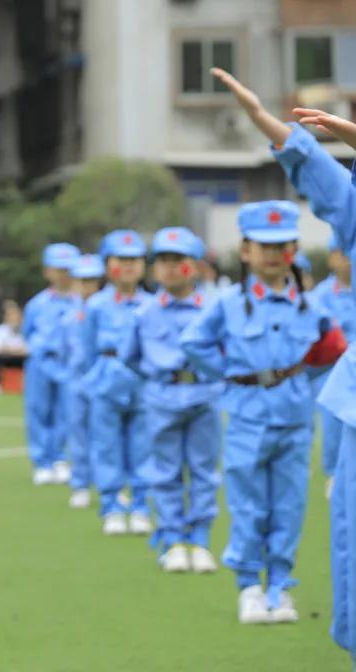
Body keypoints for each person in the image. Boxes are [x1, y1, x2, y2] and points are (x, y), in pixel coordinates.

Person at [181, 198, 345, 624]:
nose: (273, 255)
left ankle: (281, 586)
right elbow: (193, 344)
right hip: (247, 418)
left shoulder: (312, 305)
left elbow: (331, 352)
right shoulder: (227, 303)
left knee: (289, 506)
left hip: (294, 419)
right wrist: (230, 376)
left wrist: (300, 381)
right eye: (263, 246)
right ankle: (250, 586)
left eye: (282, 246)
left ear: (292, 250)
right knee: (249, 504)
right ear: (246, 251)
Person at [125, 228, 222, 573]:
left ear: (194, 266)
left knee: (203, 471)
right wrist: (159, 380)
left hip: (204, 395)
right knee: (164, 471)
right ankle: (172, 540)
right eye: (163, 261)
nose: (169, 268)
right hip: (162, 396)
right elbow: (132, 357)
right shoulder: (145, 312)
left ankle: (200, 539)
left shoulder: (214, 309)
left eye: (178, 260)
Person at [81, 230, 153, 536]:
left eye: (135, 259)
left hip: (143, 380)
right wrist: (90, 381)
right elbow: (86, 349)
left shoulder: (152, 304)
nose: (128, 266)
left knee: (142, 445)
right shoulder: (96, 304)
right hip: (106, 378)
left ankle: (140, 504)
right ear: (107, 264)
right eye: (120, 260)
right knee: (106, 445)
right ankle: (111, 504)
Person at [22, 243, 80, 485]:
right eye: (59, 268)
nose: (64, 274)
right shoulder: (38, 304)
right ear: (48, 271)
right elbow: (28, 332)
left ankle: (59, 458)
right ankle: (42, 462)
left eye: (68, 269)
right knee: (39, 410)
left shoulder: (81, 302)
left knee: (66, 411)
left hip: (70, 363)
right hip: (41, 361)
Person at [308, 235, 356, 497]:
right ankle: (333, 475)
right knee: (333, 427)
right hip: (332, 374)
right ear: (331, 258)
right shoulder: (321, 297)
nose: (347, 259)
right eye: (341, 252)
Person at [61, 253, 104, 509]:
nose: (87, 285)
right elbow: (65, 351)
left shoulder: (106, 310)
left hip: (101, 381)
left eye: (92, 280)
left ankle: (109, 483)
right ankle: (80, 484)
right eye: (82, 280)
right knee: (78, 432)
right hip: (76, 381)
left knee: (104, 436)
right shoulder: (68, 315)